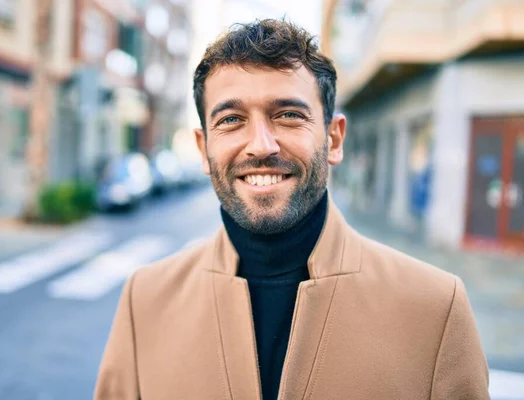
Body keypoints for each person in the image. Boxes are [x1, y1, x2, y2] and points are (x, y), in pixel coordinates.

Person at [95, 19, 489, 400]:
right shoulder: (145, 300)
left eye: (288, 115)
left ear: (334, 139)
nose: (261, 145)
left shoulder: (435, 308)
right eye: (231, 120)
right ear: (203, 148)